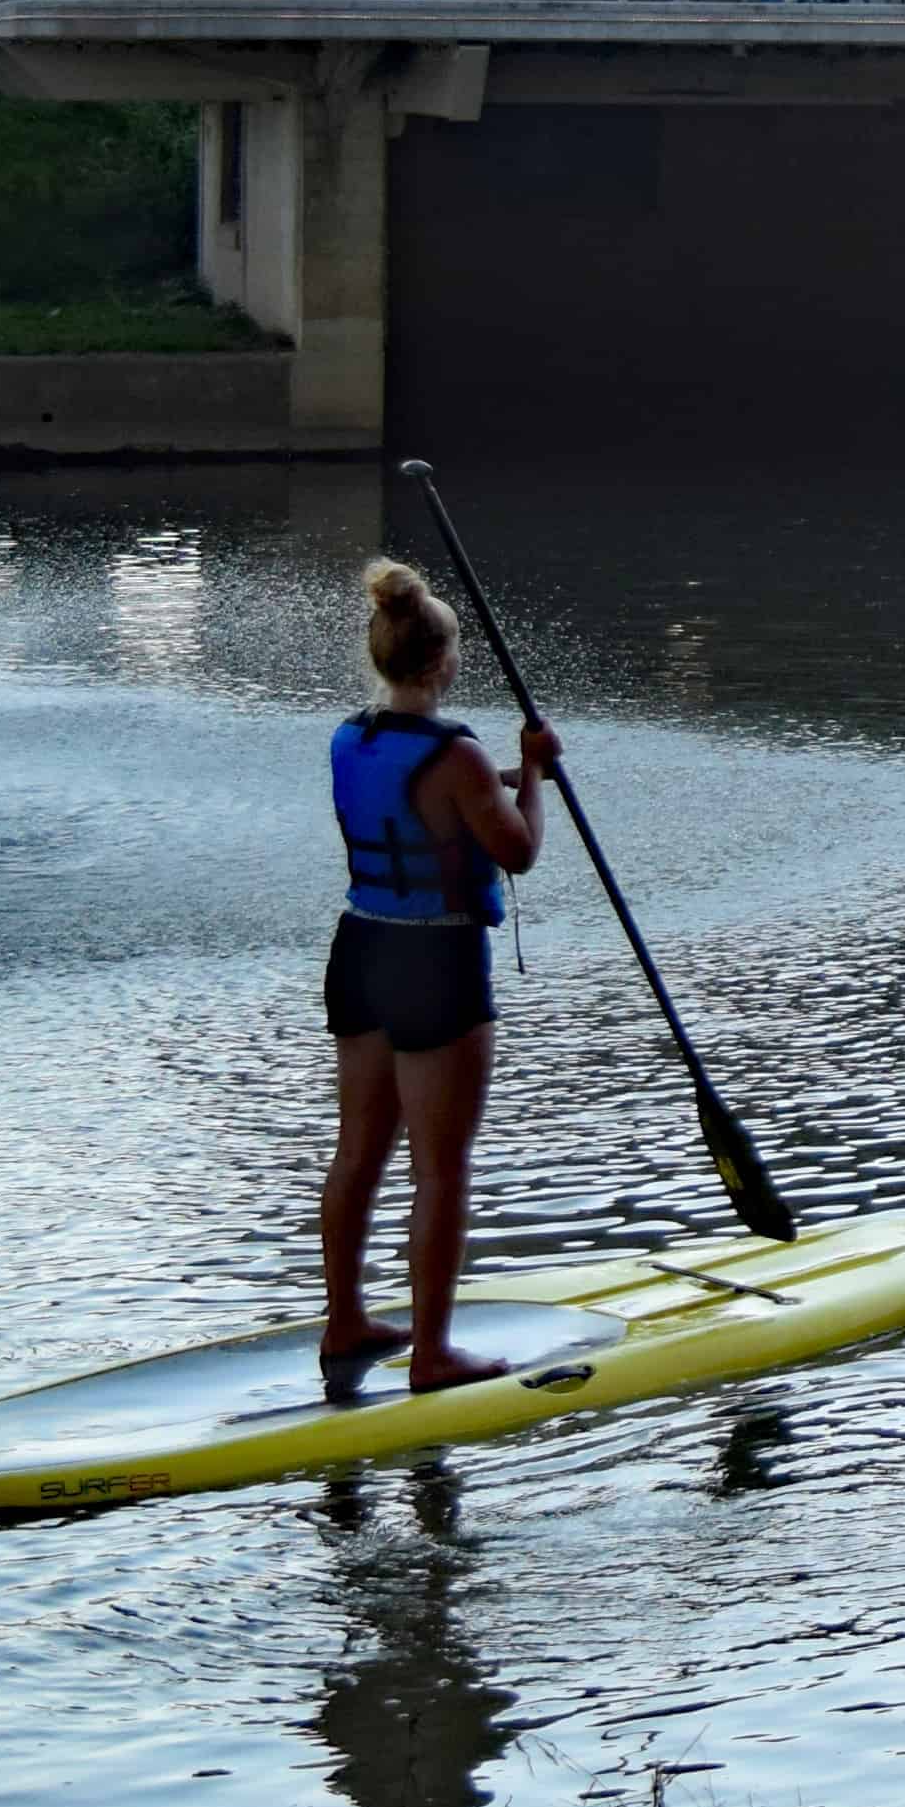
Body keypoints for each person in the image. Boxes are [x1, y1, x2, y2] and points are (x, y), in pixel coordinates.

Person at [322, 555, 554, 1394]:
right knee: (440, 1168)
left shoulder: (353, 734)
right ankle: (432, 1353)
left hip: (361, 950)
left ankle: (345, 1318)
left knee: (359, 1153)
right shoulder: (458, 752)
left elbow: (413, 808)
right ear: (443, 661)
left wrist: (501, 776)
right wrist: (532, 773)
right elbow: (518, 852)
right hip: (437, 959)